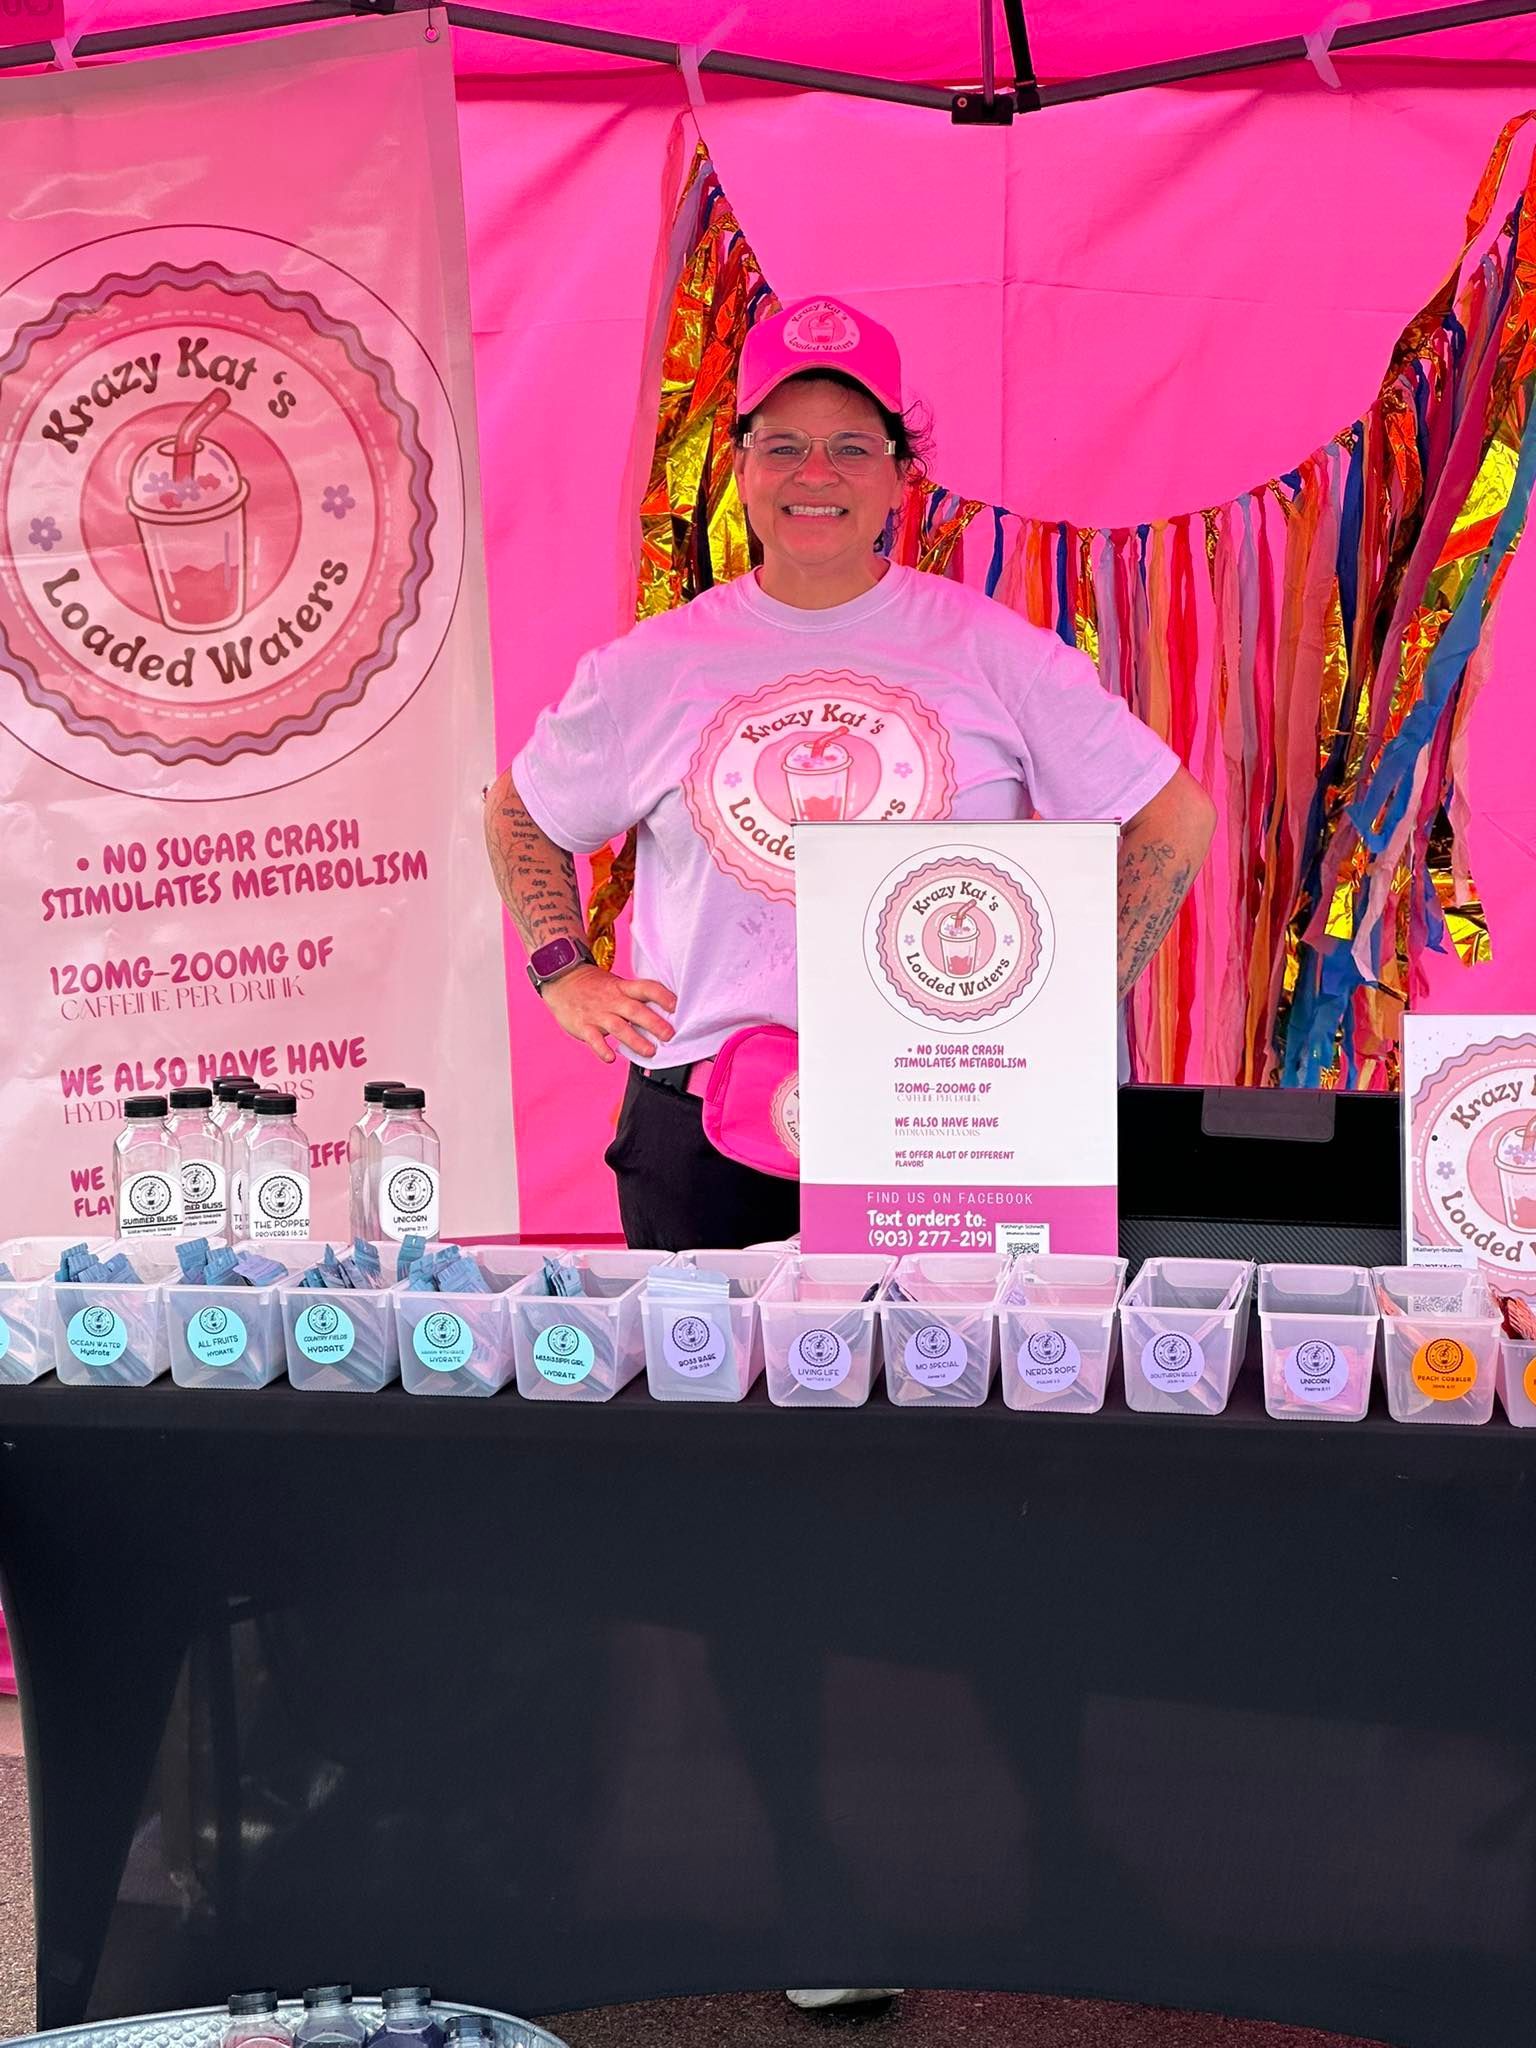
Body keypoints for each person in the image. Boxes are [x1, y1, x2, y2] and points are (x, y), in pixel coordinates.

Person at [486, 294, 1215, 1256]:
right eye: (782, 445)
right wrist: (561, 969)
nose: (815, 474)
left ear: (901, 479)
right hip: (708, 1137)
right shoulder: (651, 669)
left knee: (951, 1401)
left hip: (952, 1127)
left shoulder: (992, 653)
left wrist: (1066, 1000)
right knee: (713, 1404)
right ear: (740, 469)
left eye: (852, 447)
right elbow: (518, 811)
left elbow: (1173, 816)